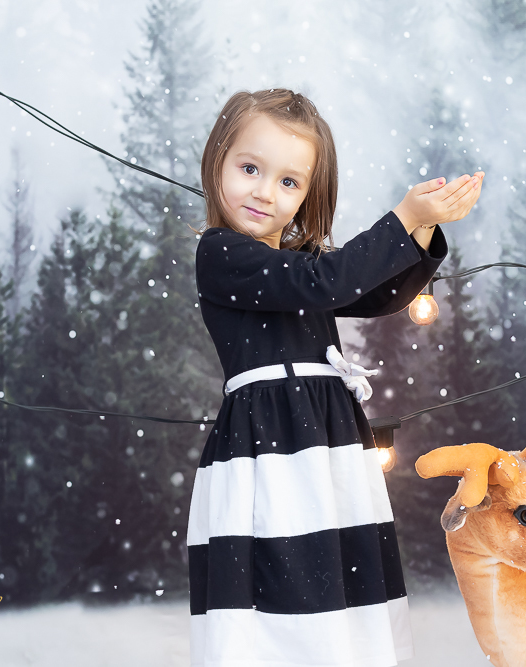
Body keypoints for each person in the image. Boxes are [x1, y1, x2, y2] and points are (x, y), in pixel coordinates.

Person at [186, 88, 484, 667]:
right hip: (270, 450)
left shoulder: (299, 266)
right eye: (250, 168)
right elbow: (327, 282)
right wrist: (405, 219)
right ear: (216, 162)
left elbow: (373, 293)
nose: (265, 192)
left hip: (324, 444)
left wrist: (421, 231)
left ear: (307, 195)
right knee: (282, 589)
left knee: (342, 587)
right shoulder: (222, 254)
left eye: (289, 182)